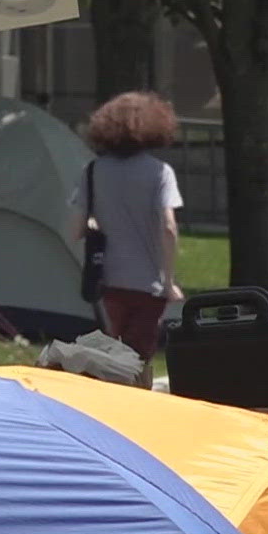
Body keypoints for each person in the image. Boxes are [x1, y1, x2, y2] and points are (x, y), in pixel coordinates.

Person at [71, 91, 185, 373]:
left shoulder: (93, 171)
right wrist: (169, 281)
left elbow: (75, 229)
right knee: (140, 358)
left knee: (114, 353)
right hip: (149, 284)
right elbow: (168, 228)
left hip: (109, 281)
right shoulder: (160, 172)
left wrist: (99, 225)